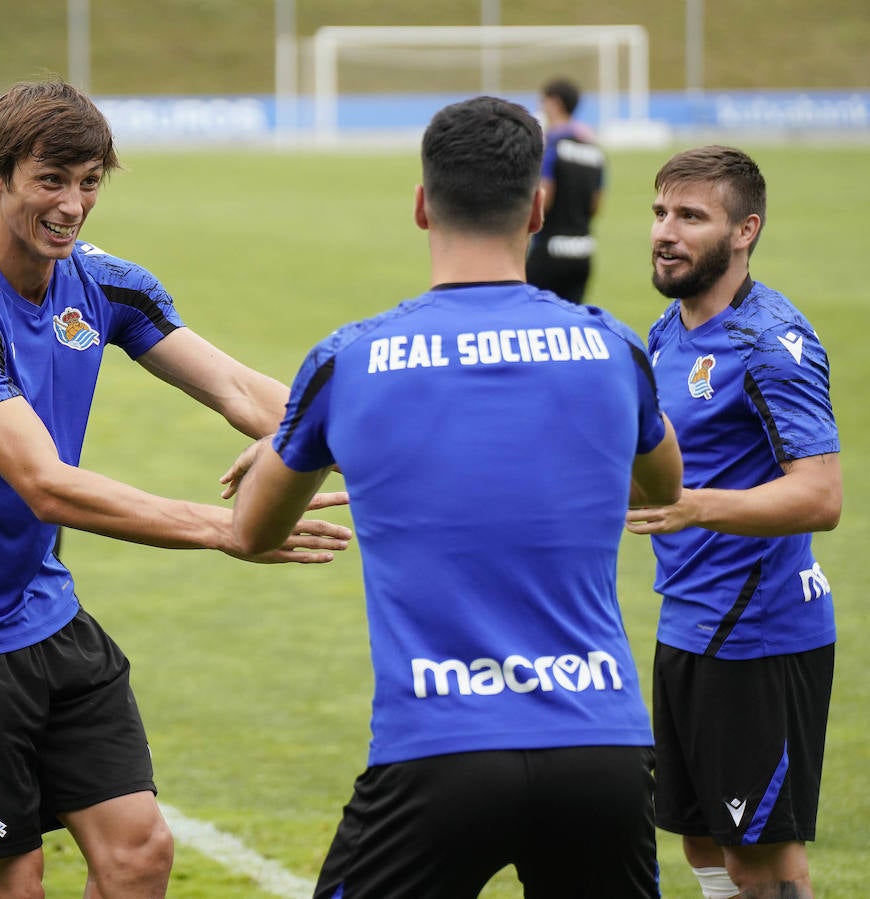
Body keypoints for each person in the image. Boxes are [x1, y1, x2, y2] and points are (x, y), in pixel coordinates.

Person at [0, 78, 351, 897]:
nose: (74, 204)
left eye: (90, 181)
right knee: (13, 881)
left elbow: (238, 390)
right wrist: (230, 527)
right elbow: (45, 485)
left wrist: (358, 448)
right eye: (51, 180)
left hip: (44, 609)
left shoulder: (105, 283)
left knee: (138, 854)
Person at [228, 95, 683, 898]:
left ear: (419, 206)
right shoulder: (614, 349)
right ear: (538, 208)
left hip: (437, 751)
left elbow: (256, 528)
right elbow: (664, 486)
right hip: (600, 747)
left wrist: (322, 448)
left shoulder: (350, 361)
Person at [625, 146, 841, 899]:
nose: (665, 231)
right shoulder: (663, 333)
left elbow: (820, 495)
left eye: (690, 216)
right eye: (659, 212)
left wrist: (695, 505)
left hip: (758, 632)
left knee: (764, 863)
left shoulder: (772, 342)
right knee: (702, 840)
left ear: (744, 230)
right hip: (688, 621)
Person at [525, 77, 606, 304]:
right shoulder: (594, 150)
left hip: (549, 251)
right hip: (582, 253)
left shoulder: (551, 146)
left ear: (555, 103)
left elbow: (544, 200)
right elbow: (595, 205)